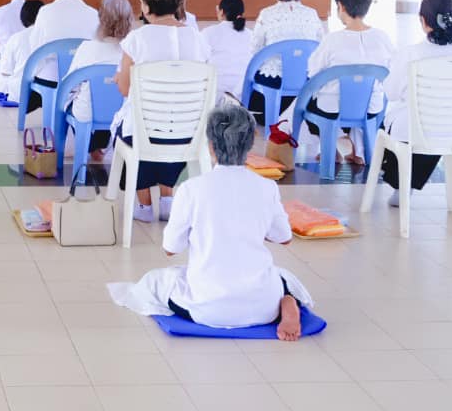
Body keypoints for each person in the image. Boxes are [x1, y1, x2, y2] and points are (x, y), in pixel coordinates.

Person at [111, 99, 308, 339]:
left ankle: (266, 301)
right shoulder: (267, 187)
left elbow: (170, 248)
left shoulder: (191, 189)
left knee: (156, 281)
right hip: (263, 307)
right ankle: (287, 302)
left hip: (208, 309)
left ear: (211, 146)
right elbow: (285, 238)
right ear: (249, 147)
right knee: (283, 277)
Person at [111, 0, 212, 222]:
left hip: (144, 134)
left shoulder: (137, 39)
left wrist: (121, 79)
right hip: (191, 132)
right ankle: (168, 199)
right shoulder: (198, 39)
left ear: (145, 5)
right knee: (169, 118)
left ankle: (144, 206)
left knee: (135, 124)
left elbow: (124, 90)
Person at [376, 0, 452, 203]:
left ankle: (401, 186)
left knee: (400, 127)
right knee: (430, 124)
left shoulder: (411, 54)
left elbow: (391, 93)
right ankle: (404, 185)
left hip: (418, 129)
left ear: (423, 20)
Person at [290, 0, 394, 163]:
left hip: (332, 108)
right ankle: (360, 152)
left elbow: (313, 71)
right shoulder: (382, 38)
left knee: (309, 102)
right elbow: (391, 70)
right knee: (361, 98)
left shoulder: (332, 40)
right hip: (370, 109)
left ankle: (331, 151)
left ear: (340, 6)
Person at [60, 0, 133, 158]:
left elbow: (70, 84)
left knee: (73, 101)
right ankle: (100, 148)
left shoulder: (87, 48)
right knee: (111, 101)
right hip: (123, 114)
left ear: (100, 19)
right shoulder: (133, 50)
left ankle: (90, 146)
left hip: (88, 113)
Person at [246, 0, 325, 123]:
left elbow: (255, 50)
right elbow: (320, 47)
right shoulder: (312, 14)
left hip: (273, 81)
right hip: (304, 80)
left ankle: (266, 114)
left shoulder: (266, 14)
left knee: (253, 75)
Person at [28, 0, 99, 113]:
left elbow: (35, 47)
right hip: (81, 80)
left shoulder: (45, 12)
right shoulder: (93, 14)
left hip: (50, 78)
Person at [0, 0, 44, 102]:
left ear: (23, 18)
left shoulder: (16, 38)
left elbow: (6, 71)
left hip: (21, 92)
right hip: (48, 92)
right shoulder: (52, 37)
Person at [202, 0, 252, 101]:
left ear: (221, 12)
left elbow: (200, 62)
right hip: (242, 95)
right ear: (241, 14)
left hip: (214, 95)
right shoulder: (251, 35)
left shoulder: (208, 32)